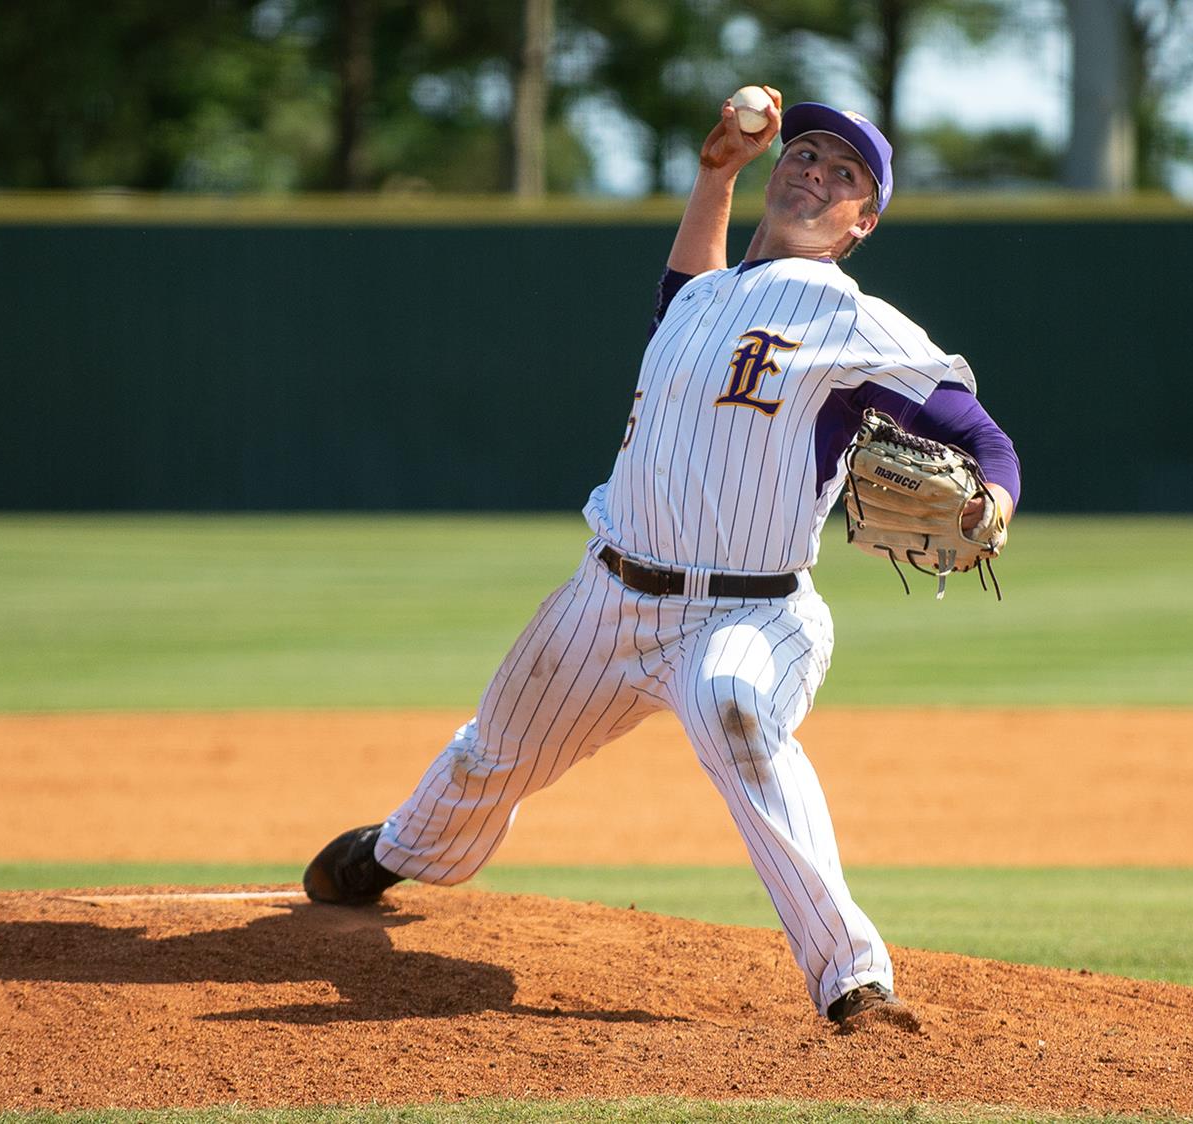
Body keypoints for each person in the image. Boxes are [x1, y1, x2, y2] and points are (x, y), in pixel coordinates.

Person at [302, 88, 1023, 1032]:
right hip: (606, 599)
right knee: (493, 757)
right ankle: (397, 853)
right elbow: (678, 297)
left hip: (750, 613)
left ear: (863, 223)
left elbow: (984, 439)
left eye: (845, 175)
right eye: (804, 155)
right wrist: (715, 172)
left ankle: (855, 981)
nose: (815, 173)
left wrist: (995, 501)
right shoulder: (706, 297)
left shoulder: (858, 323)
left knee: (736, 712)